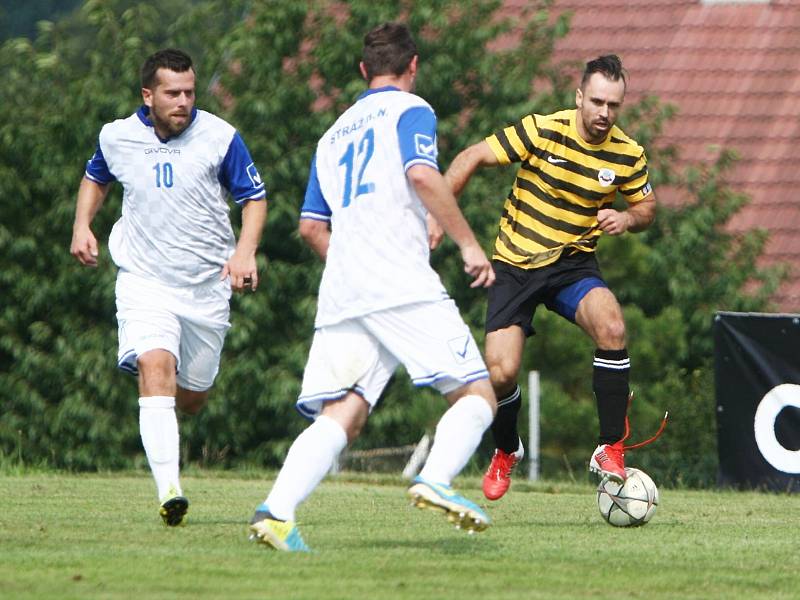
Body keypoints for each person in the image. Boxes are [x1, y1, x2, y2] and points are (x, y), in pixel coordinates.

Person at [248, 22, 497, 552]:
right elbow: (424, 175)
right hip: (399, 280)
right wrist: (469, 245)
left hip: (344, 286)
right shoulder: (413, 110)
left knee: (347, 410)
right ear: (413, 67)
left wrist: (358, 263)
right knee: (477, 393)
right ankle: (436, 479)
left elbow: (312, 227)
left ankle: (276, 512)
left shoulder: (331, 134)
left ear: (364, 71)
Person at [445, 54, 656, 500]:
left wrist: (627, 219)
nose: (604, 113)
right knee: (500, 374)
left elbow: (646, 207)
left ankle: (610, 448)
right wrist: (435, 217)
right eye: (596, 101)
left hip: (572, 266)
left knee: (613, 326)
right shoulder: (542, 130)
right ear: (579, 96)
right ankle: (506, 450)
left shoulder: (628, 154)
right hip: (516, 265)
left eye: (613, 105)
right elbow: (471, 156)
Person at [70, 48, 268, 526]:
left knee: (193, 397)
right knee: (155, 364)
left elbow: (254, 198)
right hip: (145, 280)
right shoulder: (117, 136)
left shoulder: (220, 137)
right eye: (172, 93)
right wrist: (82, 225)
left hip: (205, 287)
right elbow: (96, 176)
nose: (183, 101)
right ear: (148, 95)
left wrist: (244, 252)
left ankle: (157, 408)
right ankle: (170, 490)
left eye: (190, 92)